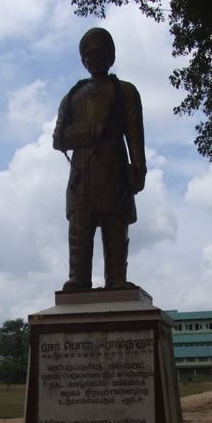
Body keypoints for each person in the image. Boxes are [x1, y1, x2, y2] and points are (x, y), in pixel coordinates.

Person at [53, 27, 147, 292]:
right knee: (80, 231)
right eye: (89, 54)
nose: (94, 59)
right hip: (82, 174)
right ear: (82, 60)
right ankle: (79, 278)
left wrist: (138, 168)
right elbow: (59, 138)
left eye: (100, 53)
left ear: (111, 56)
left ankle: (116, 277)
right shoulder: (73, 96)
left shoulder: (125, 92)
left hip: (115, 170)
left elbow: (135, 134)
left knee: (116, 228)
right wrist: (92, 130)